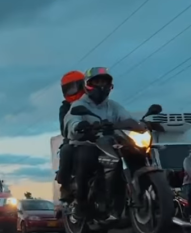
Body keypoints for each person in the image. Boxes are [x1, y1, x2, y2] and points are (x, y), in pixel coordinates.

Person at [62, 67, 137, 219]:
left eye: (104, 82)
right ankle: (82, 203)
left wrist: (141, 125)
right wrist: (79, 126)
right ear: (88, 84)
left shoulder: (114, 106)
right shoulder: (79, 105)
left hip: (109, 143)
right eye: (97, 82)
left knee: (133, 153)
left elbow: (126, 118)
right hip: (87, 143)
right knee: (86, 158)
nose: (101, 86)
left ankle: (125, 200)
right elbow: (71, 121)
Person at [56, 71, 85, 201]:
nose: (72, 91)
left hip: (100, 139)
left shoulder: (95, 102)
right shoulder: (65, 107)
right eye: (68, 88)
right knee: (66, 150)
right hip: (75, 140)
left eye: (74, 87)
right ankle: (65, 185)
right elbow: (64, 129)